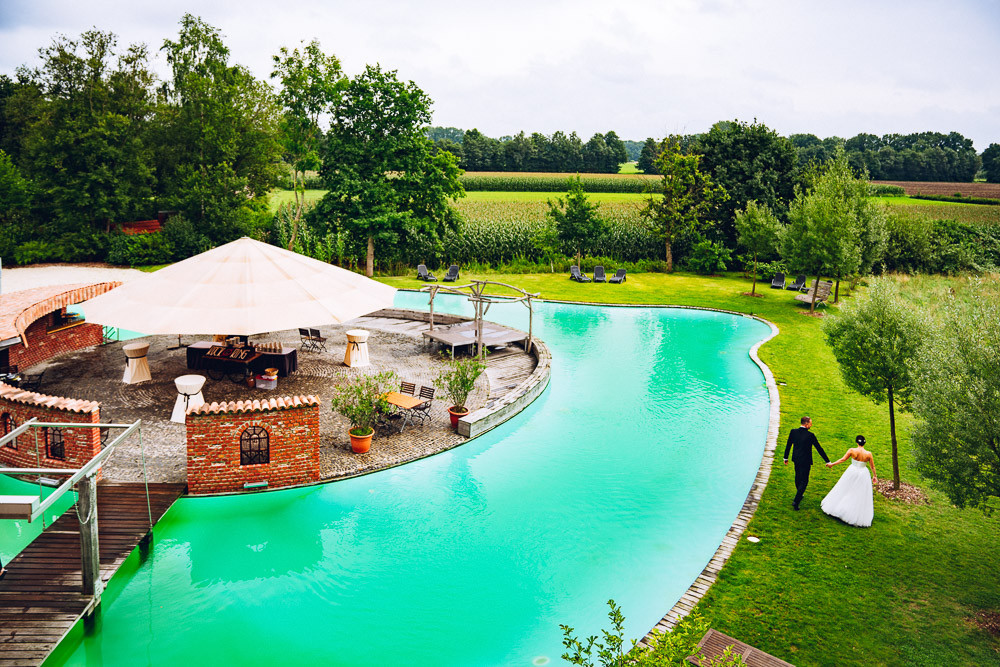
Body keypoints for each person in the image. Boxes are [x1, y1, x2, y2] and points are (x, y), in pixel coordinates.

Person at [821, 435, 877, 527]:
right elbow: (872, 466)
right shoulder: (869, 454)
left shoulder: (852, 450)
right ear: (864, 443)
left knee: (845, 488)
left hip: (852, 471)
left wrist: (832, 464)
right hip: (863, 473)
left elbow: (843, 459)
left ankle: (840, 507)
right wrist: (875, 476)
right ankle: (853, 512)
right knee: (858, 493)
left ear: (857, 442)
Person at [783, 416, 830, 510]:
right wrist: (827, 461)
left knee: (798, 477)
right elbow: (819, 448)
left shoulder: (793, 432)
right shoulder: (810, 435)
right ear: (806, 424)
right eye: (810, 423)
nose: (811, 425)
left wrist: (785, 457)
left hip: (796, 458)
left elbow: (788, 445)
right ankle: (796, 500)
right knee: (804, 481)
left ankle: (799, 493)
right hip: (806, 461)